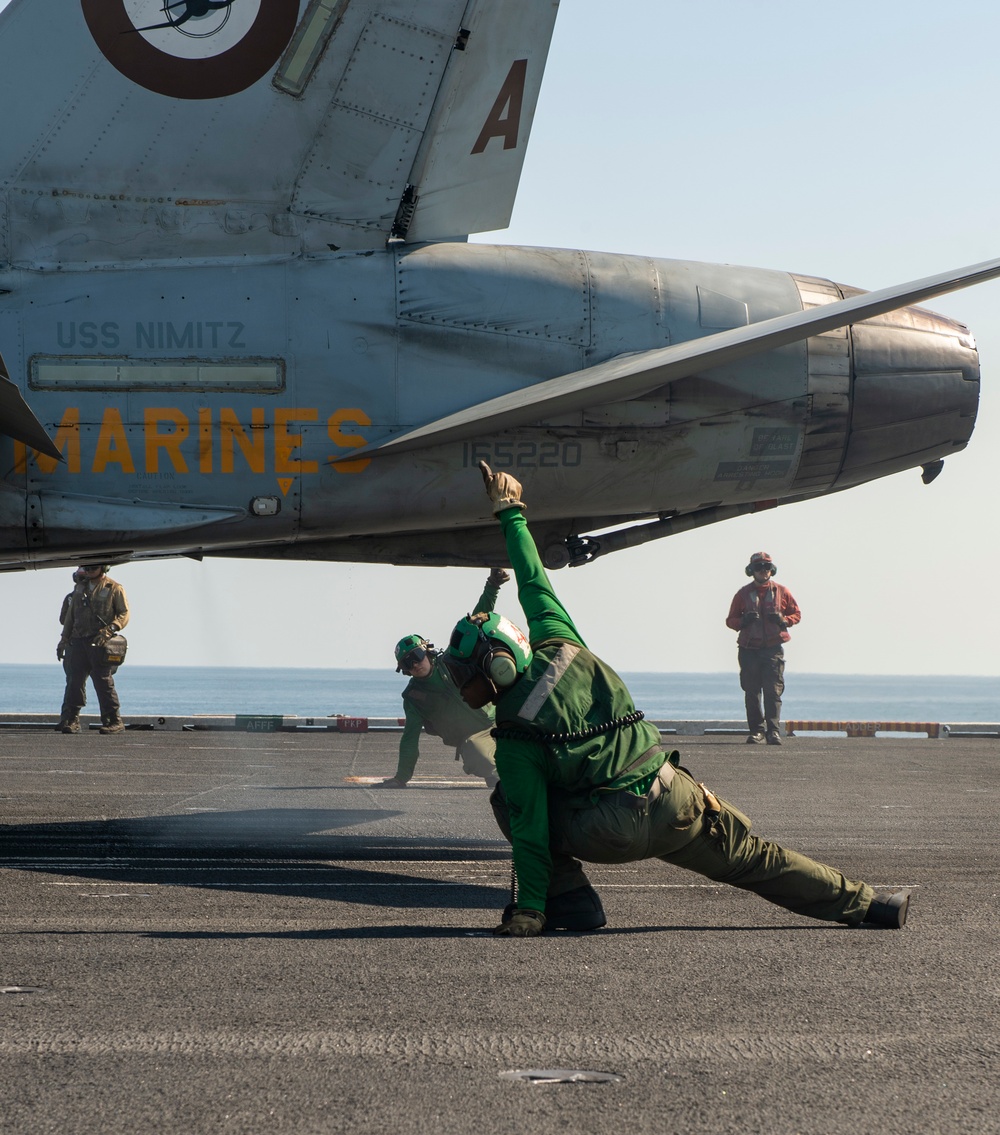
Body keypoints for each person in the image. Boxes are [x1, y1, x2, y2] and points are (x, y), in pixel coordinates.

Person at [439, 462, 910, 937]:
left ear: (499, 665)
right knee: (757, 859)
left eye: (466, 676)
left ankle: (571, 903)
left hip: (610, 831)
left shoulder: (516, 736)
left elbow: (530, 831)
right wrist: (511, 512)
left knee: (511, 802)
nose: (463, 688)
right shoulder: (563, 642)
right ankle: (872, 905)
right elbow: (532, 579)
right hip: (676, 801)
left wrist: (530, 909)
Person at [378, 568, 511, 789]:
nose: (415, 664)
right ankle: (502, 775)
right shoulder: (413, 698)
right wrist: (401, 777)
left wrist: (493, 585)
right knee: (483, 760)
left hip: (501, 717)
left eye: (417, 656)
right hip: (475, 736)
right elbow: (410, 739)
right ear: (404, 670)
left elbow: (475, 622)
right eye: (407, 663)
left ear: (427, 651)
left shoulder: (453, 660)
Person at [725, 552, 801, 746]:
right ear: (752, 571)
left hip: (773, 649)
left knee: (773, 692)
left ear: (771, 569)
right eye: (759, 567)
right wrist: (744, 621)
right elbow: (730, 620)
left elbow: (797, 614)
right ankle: (757, 731)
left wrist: (784, 620)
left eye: (767, 567)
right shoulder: (742, 594)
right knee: (751, 692)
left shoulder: (782, 592)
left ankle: (773, 732)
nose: (763, 571)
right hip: (749, 649)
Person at [55, 564, 129, 735]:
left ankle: (113, 720)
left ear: (103, 568)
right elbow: (69, 618)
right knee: (75, 682)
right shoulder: (79, 590)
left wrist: (111, 629)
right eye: (86, 568)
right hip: (78, 641)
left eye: (92, 567)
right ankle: (72, 720)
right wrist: (63, 640)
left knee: (103, 682)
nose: (88, 571)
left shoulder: (114, 588)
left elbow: (124, 614)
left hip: (100, 642)